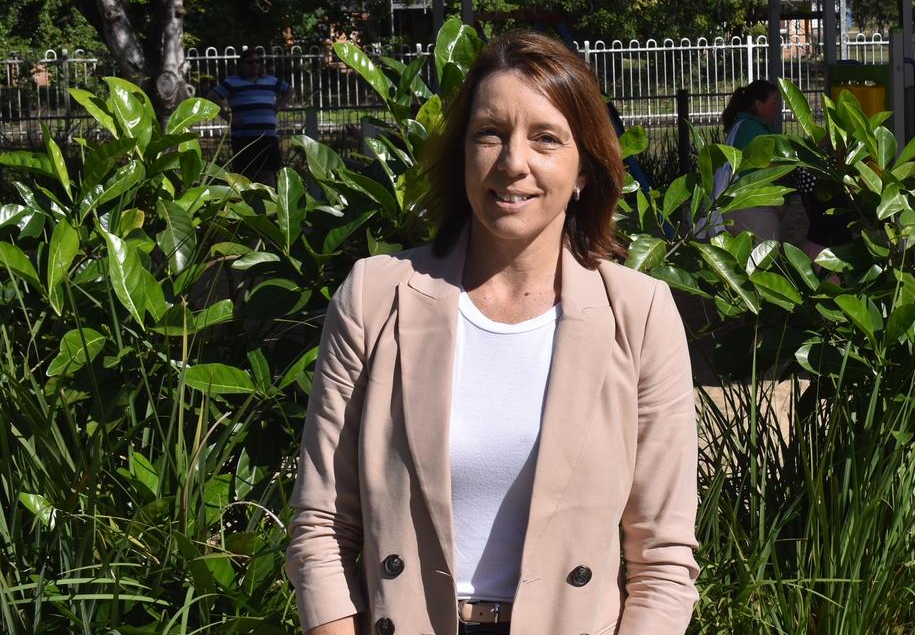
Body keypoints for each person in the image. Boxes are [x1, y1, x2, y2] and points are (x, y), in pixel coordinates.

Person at [285, 31, 699, 635]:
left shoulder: (638, 313)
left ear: (584, 169)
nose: (513, 163)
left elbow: (663, 559)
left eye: (546, 139)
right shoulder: (377, 297)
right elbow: (321, 526)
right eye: (489, 134)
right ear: (462, 154)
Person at [706, 80, 782, 239]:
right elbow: (767, 168)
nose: (777, 108)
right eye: (774, 102)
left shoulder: (743, 125)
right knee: (763, 259)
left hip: (739, 205)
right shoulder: (753, 129)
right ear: (758, 104)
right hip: (753, 208)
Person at [209, 52, 292, 181]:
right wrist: (228, 118)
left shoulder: (270, 81)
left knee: (268, 175)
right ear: (242, 65)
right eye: (250, 62)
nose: (254, 65)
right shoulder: (232, 82)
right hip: (244, 138)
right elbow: (213, 96)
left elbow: (289, 90)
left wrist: (280, 105)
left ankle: (270, 201)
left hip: (268, 137)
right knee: (245, 176)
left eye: (257, 62)